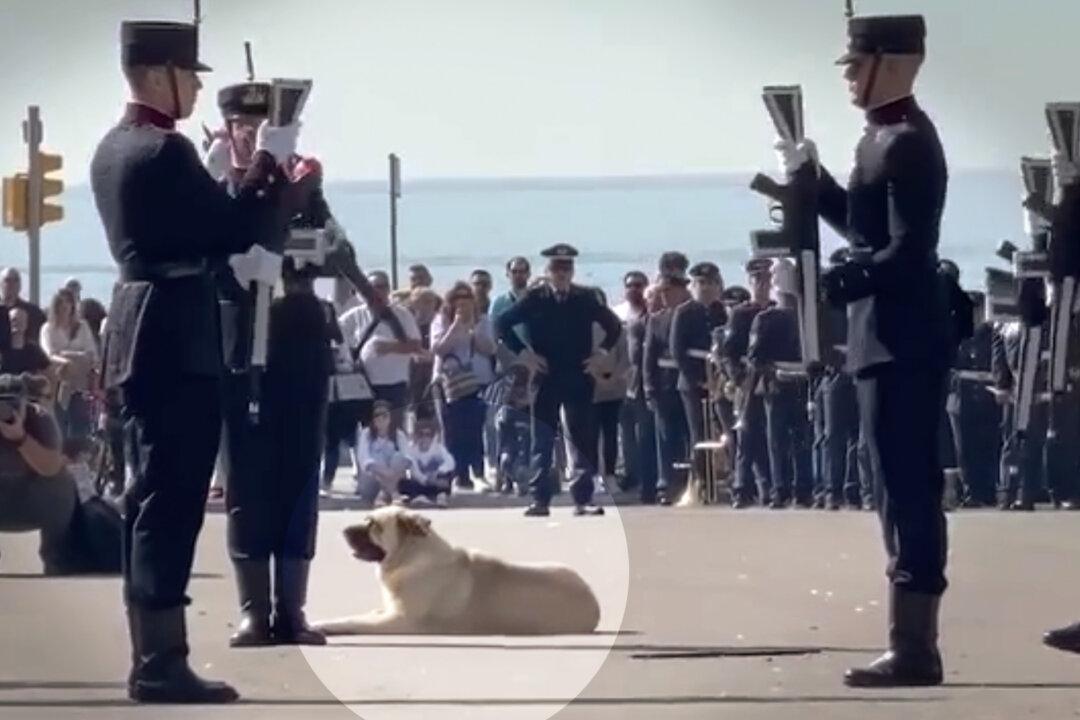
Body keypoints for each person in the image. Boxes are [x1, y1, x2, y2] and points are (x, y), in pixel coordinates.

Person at [90, 20, 299, 704]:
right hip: (177, 330)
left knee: (150, 493)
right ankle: (160, 663)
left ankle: (154, 653)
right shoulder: (165, 152)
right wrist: (271, 166)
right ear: (158, 75)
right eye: (189, 75)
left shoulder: (113, 148)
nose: (197, 87)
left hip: (138, 323)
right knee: (172, 497)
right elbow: (234, 228)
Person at [781, 14, 950, 686]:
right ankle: (909, 642)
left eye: (856, 64)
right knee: (891, 486)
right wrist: (813, 180)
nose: (849, 76)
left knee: (909, 487)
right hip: (880, 336)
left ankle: (916, 648)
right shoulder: (878, 136)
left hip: (904, 336)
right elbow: (863, 224)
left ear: (894, 62)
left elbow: (910, 252)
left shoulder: (908, 140)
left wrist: (838, 279)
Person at [495, 244, 621, 517]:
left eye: (566, 268)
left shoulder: (584, 298)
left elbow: (614, 326)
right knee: (541, 437)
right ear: (547, 271)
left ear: (572, 271)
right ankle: (540, 498)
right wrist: (524, 353)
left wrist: (600, 354)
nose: (561, 274)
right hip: (546, 375)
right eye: (556, 268)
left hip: (578, 374)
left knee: (582, 439)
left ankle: (583, 499)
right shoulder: (536, 298)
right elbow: (502, 324)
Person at [748, 259, 813, 509]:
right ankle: (780, 489)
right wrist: (776, 370)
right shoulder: (766, 319)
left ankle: (803, 489)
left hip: (802, 385)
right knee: (776, 441)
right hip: (775, 385)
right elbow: (755, 357)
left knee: (801, 439)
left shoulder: (806, 317)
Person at [0, 373, 79, 574]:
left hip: (32, 499)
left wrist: (21, 438)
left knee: (62, 482)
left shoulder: (41, 419)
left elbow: (50, 467)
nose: (7, 409)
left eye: (13, 402)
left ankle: (57, 557)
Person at [340, 271, 424, 433]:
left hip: (394, 385)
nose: (376, 292)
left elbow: (416, 345)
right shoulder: (356, 315)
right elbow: (337, 333)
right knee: (369, 433)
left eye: (381, 287)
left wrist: (389, 347)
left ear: (388, 289)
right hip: (365, 385)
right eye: (371, 288)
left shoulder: (401, 314)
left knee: (394, 432)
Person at [431, 282, 496, 490]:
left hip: (478, 381)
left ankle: (477, 472)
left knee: (475, 429)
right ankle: (457, 473)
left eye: (467, 302)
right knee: (452, 430)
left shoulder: (483, 321)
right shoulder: (441, 321)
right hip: (449, 384)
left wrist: (472, 331)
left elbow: (490, 348)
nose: (463, 307)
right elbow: (439, 349)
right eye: (458, 303)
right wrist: (456, 326)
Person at [671, 262, 729, 490]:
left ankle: (723, 477)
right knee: (698, 431)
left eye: (711, 283)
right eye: (701, 283)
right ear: (693, 286)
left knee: (723, 430)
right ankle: (702, 481)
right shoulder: (684, 312)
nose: (705, 288)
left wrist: (719, 378)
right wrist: (699, 378)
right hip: (692, 382)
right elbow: (678, 351)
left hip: (720, 381)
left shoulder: (721, 312)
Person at [723, 259, 774, 508]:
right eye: (757, 280)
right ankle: (741, 489)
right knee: (747, 438)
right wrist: (739, 379)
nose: (762, 285)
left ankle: (767, 487)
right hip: (748, 380)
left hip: (772, 380)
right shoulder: (741, 314)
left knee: (770, 437)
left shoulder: (777, 311)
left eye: (766, 280)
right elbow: (729, 352)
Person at [643, 270, 692, 506]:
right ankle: (667, 484)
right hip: (664, 384)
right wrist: (650, 388)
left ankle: (694, 481)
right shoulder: (657, 319)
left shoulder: (692, 314)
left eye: (668, 291)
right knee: (666, 438)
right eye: (661, 292)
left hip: (688, 383)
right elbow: (649, 358)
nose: (664, 296)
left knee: (690, 435)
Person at [41, 288, 99, 443]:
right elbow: (49, 354)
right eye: (61, 302)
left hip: (80, 383)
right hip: (58, 381)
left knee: (80, 425)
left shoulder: (83, 327)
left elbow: (91, 353)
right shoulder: (48, 329)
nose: (65, 306)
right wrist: (66, 361)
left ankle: (79, 456)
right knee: (60, 424)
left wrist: (69, 355)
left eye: (68, 302)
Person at [589, 288, 630, 489]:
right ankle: (594, 475)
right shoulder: (581, 326)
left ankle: (611, 474)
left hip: (614, 388)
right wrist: (595, 378)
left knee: (611, 433)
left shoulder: (616, 326)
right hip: (590, 388)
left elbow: (625, 355)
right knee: (590, 433)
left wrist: (614, 377)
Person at [623, 281, 660, 501]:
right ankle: (647, 486)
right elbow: (636, 357)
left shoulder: (665, 320)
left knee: (656, 437)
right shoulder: (640, 324)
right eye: (652, 297)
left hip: (661, 384)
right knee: (644, 436)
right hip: (640, 385)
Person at [356, 400, 412, 505]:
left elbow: (408, 458)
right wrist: (384, 471)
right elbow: (364, 460)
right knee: (377, 458)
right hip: (371, 482)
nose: (380, 419)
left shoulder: (399, 435)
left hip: (395, 477)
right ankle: (393, 493)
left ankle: (383, 495)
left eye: (384, 415)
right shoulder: (365, 434)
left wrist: (393, 473)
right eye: (377, 415)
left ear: (390, 418)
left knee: (398, 457)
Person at [401, 417, 455, 507]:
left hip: (437, 481)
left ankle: (441, 496)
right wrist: (426, 480)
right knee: (404, 483)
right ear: (416, 436)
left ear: (433, 436)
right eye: (420, 434)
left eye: (428, 434)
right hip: (421, 482)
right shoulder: (412, 450)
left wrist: (438, 472)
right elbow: (414, 471)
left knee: (447, 476)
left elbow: (451, 462)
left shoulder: (438, 449)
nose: (424, 438)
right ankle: (419, 497)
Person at [1, 268, 43, 347]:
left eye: (16, 280)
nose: (12, 284)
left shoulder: (33, 312)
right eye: (7, 280)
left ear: (20, 285)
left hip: (26, 356)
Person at [1, 308, 50, 376]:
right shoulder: (2, 349)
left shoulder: (33, 349)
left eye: (21, 320)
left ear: (26, 324)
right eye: (14, 320)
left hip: (27, 385)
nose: (18, 323)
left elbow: (47, 369)